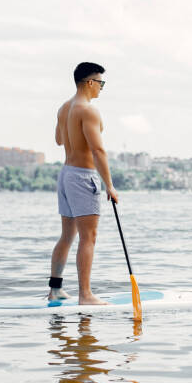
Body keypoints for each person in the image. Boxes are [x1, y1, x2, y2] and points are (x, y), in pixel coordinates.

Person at [48, 62, 120, 305]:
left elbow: (59, 140)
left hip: (66, 174)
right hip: (82, 176)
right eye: (101, 83)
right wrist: (109, 185)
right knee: (89, 237)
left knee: (67, 235)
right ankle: (85, 295)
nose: (102, 88)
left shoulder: (65, 108)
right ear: (90, 82)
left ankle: (55, 289)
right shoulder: (88, 110)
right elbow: (98, 149)